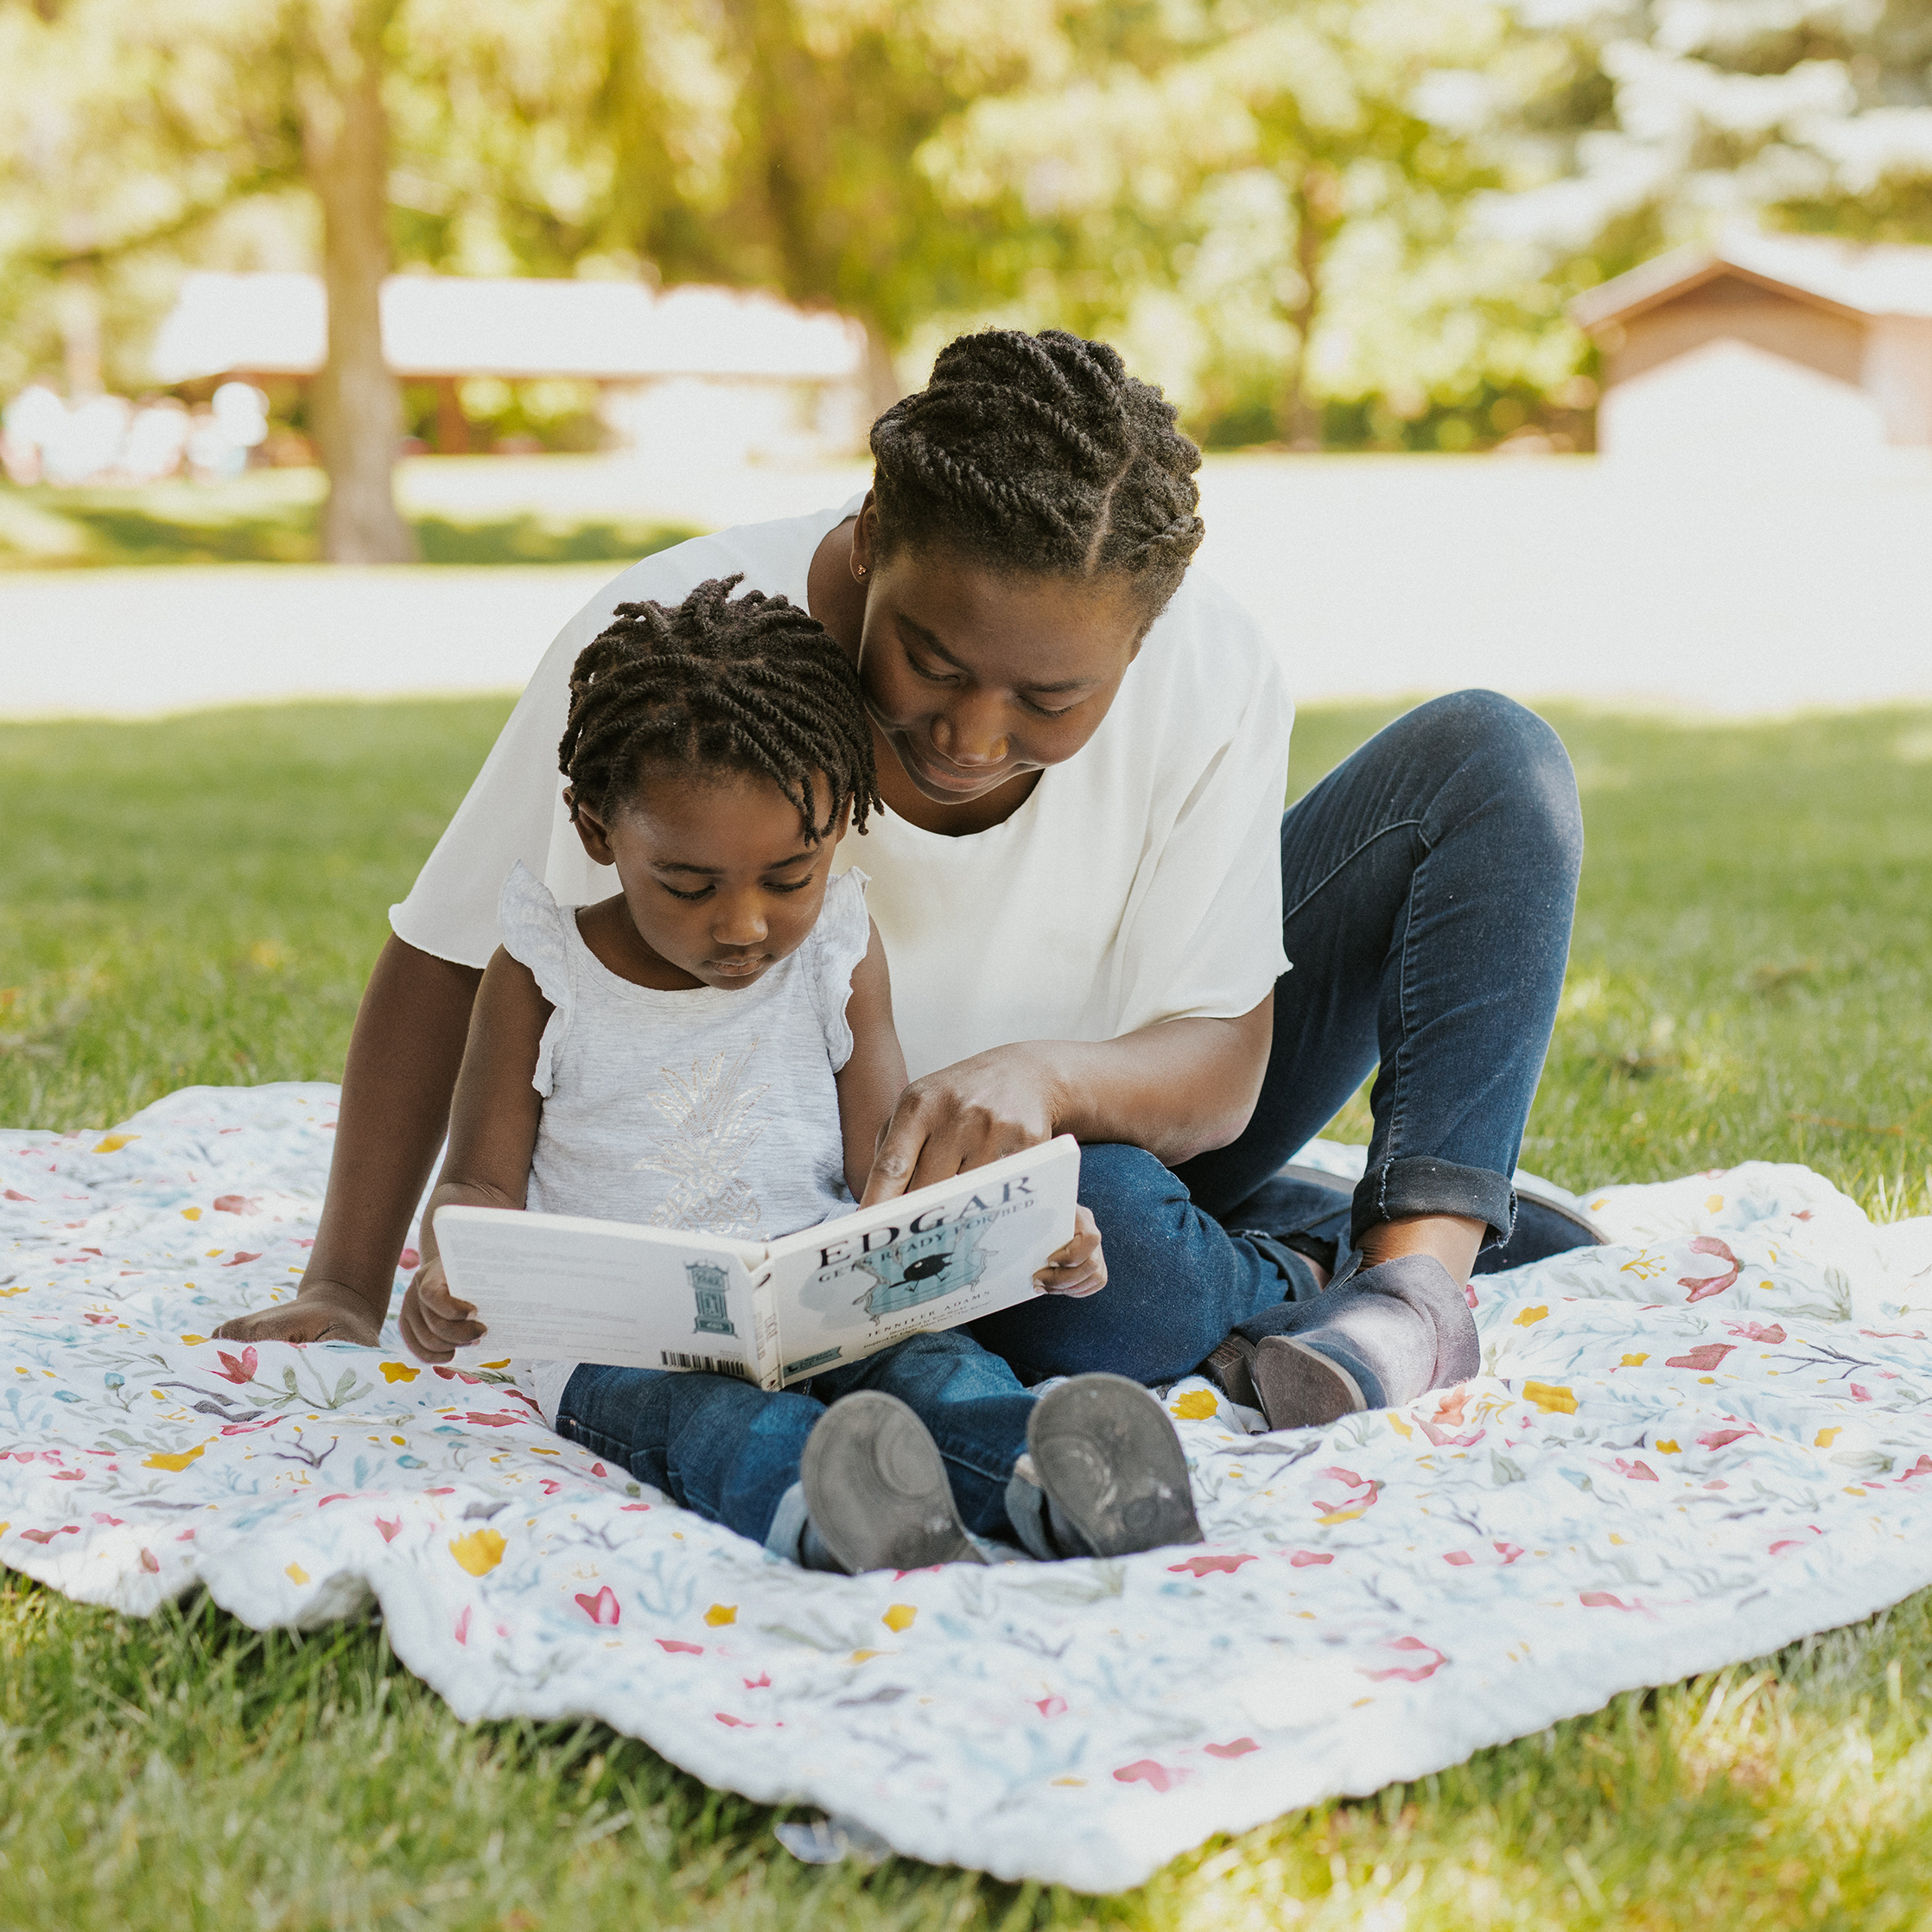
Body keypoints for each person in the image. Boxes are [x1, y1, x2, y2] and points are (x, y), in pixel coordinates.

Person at [219, 327, 1584, 1435]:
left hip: (1108, 1119)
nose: (973, 735)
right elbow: (452, 949)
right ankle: (1283, 1256)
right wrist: (343, 1282)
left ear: (1141, 637)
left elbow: (1224, 1061)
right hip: (879, 1213)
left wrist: (1043, 1081)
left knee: (1492, 762)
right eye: (933, 662)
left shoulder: (1211, 665)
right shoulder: (689, 652)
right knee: (1099, 1269)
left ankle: (1408, 1285)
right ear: (873, 538)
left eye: (1050, 698)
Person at [392, 575, 1202, 1572]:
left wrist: (1023, 1228)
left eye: (791, 878)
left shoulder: (838, 953)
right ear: (599, 830)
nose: (744, 927)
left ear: (839, 831)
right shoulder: (543, 971)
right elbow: (478, 1181)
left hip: (831, 1300)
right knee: (708, 1424)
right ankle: (834, 1507)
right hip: (617, 1341)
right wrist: (453, 1269)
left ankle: (1059, 1478)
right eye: (687, 886)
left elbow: (889, 1171)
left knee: (940, 1370)